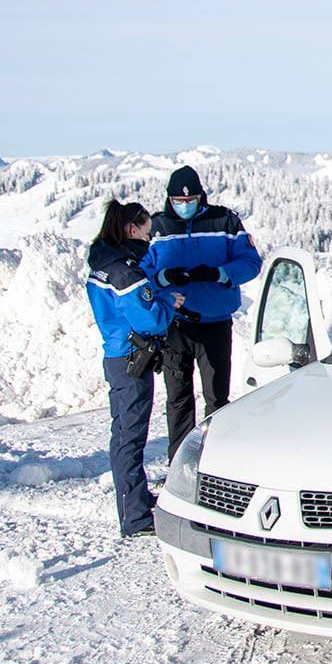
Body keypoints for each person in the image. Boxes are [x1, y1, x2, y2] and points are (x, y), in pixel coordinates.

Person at [140, 166, 262, 463]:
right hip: (175, 325)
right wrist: (165, 278)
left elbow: (251, 263)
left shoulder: (225, 221)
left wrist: (220, 273)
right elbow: (140, 274)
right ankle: (179, 464)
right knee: (178, 398)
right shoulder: (156, 228)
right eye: (178, 201)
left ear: (200, 196)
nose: (184, 205)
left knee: (217, 399)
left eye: (190, 199)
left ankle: (214, 461)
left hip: (215, 324)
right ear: (169, 199)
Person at [85, 199, 183, 537]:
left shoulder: (102, 263)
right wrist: (169, 302)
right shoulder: (126, 270)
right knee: (129, 435)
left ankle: (135, 500)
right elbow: (150, 319)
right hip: (131, 358)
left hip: (116, 353)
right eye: (146, 231)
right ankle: (135, 516)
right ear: (131, 229)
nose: (149, 238)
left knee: (125, 433)